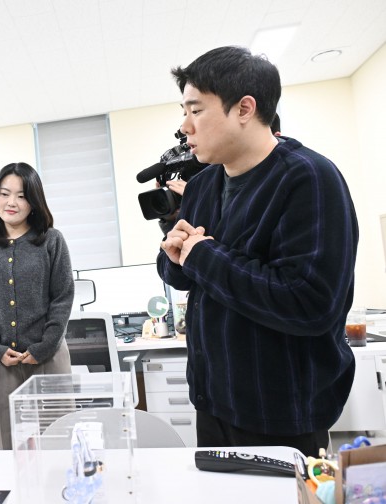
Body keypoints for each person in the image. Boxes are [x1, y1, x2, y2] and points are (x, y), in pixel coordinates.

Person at [157, 46, 357, 455]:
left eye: (196, 110)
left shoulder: (309, 178)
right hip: (212, 402)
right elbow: (185, 273)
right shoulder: (202, 185)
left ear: (244, 109)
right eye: (184, 111)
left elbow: (310, 304)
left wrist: (201, 255)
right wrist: (175, 255)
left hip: (280, 414)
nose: (184, 126)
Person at [0, 162, 74, 450]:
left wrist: (44, 346)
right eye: (4, 194)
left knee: (57, 443)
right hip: (1, 360)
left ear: (34, 201)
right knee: (7, 445)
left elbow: (63, 297)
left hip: (48, 358)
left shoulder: (52, 240)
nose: (11, 202)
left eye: (22, 195)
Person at [165, 113, 281, 196]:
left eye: (197, 110)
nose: (185, 129)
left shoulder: (284, 178)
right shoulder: (212, 174)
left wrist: (198, 200)